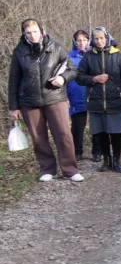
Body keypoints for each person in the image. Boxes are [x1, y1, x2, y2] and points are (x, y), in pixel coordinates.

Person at [7, 19, 84, 182]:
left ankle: (70, 170)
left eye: (35, 31)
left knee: (63, 134)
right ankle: (47, 169)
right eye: (28, 33)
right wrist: (14, 107)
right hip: (29, 101)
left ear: (42, 31)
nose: (32, 35)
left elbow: (73, 70)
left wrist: (63, 79)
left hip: (55, 98)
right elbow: (13, 80)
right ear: (24, 34)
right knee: (38, 137)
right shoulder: (19, 51)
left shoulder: (56, 47)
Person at [75, 27, 121, 173]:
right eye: (96, 39)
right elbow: (79, 76)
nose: (99, 41)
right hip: (95, 101)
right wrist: (94, 79)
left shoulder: (117, 55)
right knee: (101, 133)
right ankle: (106, 160)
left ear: (107, 38)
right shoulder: (88, 56)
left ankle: (117, 160)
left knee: (115, 132)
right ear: (92, 41)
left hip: (115, 100)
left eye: (101, 38)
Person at [67, 29, 91, 162]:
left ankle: (97, 151)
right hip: (76, 96)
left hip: (93, 95)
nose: (82, 43)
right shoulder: (68, 57)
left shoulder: (93, 55)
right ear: (75, 42)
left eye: (84, 40)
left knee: (96, 125)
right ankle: (77, 151)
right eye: (79, 40)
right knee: (77, 126)